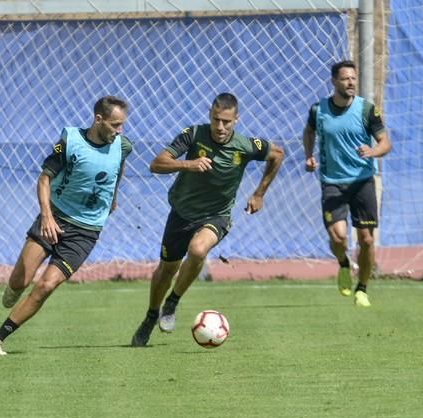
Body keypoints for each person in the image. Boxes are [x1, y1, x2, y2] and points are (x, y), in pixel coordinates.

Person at [130, 92, 284, 347]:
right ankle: (150, 317)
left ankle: (173, 302)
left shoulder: (246, 145)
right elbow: (156, 164)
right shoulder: (193, 134)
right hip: (181, 213)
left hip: (217, 215)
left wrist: (259, 193)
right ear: (209, 117)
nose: (220, 127)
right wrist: (188, 164)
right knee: (167, 268)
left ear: (236, 120)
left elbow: (277, 154)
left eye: (226, 121)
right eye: (216, 120)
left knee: (198, 249)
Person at [0, 95, 132, 355]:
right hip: (56, 217)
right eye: (115, 125)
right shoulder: (71, 141)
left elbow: (118, 170)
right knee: (22, 280)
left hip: (86, 231)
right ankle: (14, 288)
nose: (119, 131)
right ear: (98, 119)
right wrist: (48, 216)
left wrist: (114, 197)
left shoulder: (123, 146)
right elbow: (44, 180)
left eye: (122, 125)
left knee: (46, 286)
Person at [302, 60, 391, 307]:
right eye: (345, 78)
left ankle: (362, 289)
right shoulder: (318, 110)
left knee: (366, 240)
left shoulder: (367, 110)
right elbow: (308, 132)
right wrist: (308, 155)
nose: (351, 82)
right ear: (334, 81)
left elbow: (385, 143)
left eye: (353, 78)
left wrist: (373, 152)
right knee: (338, 237)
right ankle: (343, 264)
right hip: (332, 181)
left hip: (362, 182)